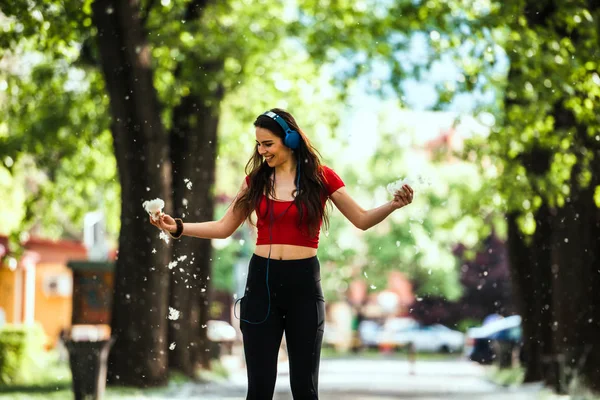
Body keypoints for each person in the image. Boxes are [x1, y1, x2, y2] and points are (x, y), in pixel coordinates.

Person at [150, 108, 414, 400]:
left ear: (290, 139)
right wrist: (178, 227)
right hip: (261, 284)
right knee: (259, 390)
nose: (262, 151)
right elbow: (224, 227)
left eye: (268, 144)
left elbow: (362, 219)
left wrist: (393, 205)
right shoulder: (255, 182)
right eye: (259, 145)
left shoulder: (322, 178)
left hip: (304, 286)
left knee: (304, 389)